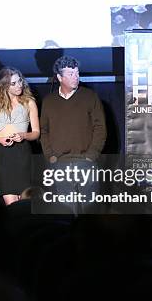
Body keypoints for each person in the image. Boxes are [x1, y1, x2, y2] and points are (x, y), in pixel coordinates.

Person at [40, 55, 106, 212]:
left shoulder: (90, 97)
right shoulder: (49, 101)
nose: (76, 77)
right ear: (59, 77)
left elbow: (100, 127)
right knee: (66, 211)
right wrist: (51, 156)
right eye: (70, 74)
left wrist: (91, 155)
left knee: (90, 210)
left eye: (77, 73)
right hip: (60, 164)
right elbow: (43, 130)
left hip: (85, 162)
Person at [0, 67, 40, 205]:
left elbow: (36, 132)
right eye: (13, 84)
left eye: (19, 81)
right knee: (10, 203)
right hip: (3, 154)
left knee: (25, 202)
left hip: (22, 153)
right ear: (5, 86)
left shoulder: (29, 102)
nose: (19, 85)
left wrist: (24, 135)